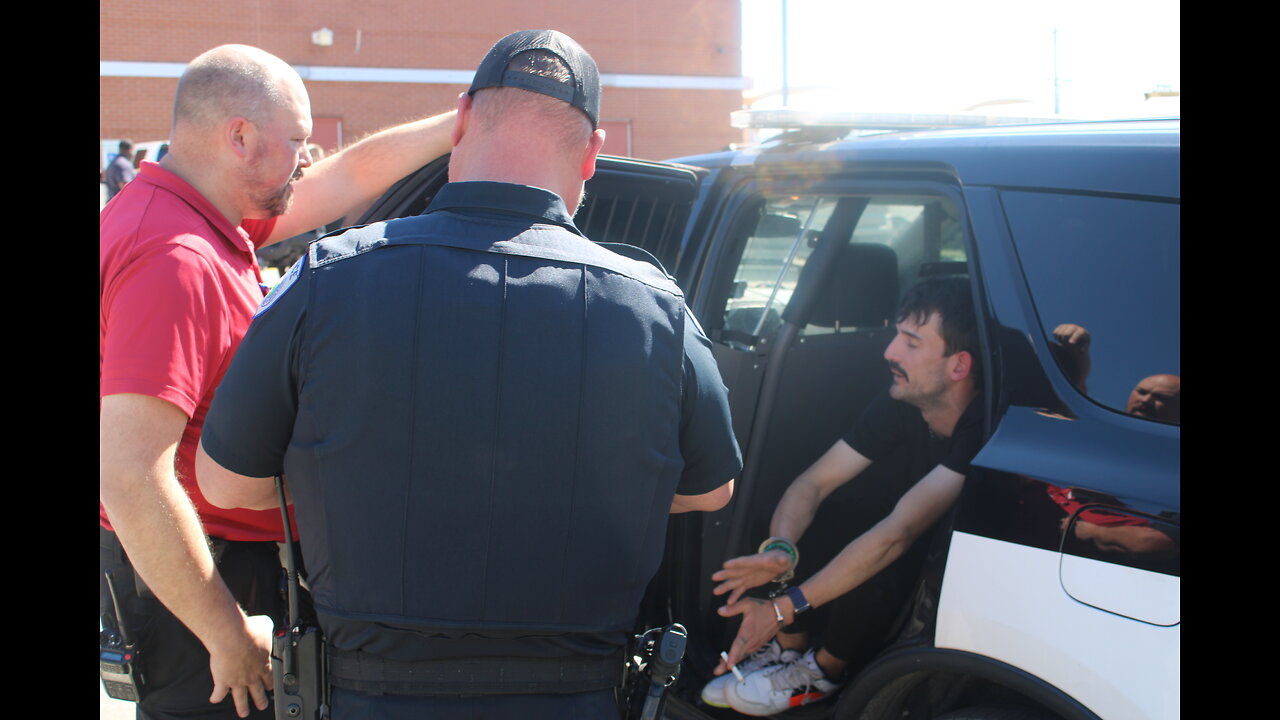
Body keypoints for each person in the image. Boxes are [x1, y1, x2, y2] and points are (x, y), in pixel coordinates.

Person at [194, 29, 741, 720]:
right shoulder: (656, 305)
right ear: (594, 154)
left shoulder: (324, 279)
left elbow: (225, 483)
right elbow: (711, 488)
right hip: (579, 698)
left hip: (370, 696)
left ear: (459, 120)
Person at [100, 43, 456, 719]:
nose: (305, 157)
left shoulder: (201, 215)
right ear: (240, 137)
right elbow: (128, 474)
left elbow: (348, 177)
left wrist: (463, 120)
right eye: (296, 140)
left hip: (209, 568)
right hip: (202, 583)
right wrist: (225, 633)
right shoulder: (173, 256)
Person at [705, 277, 984, 716]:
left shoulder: (979, 428)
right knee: (783, 523)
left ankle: (825, 673)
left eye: (911, 342)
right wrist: (781, 551)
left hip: (945, 575)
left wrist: (782, 607)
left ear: (958, 365)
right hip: (889, 541)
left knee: (887, 556)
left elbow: (899, 533)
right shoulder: (902, 400)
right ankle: (790, 652)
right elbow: (811, 485)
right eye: (896, 335)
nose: (890, 351)